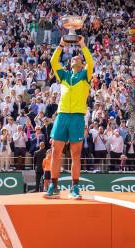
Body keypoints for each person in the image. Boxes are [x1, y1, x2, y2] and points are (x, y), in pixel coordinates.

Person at [44, 36, 93, 200]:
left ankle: (75, 187)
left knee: (75, 155)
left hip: (78, 117)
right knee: (56, 152)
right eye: (73, 58)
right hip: (62, 115)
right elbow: (53, 61)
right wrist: (61, 45)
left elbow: (91, 62)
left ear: (82, 63)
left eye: (78, 58)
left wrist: (83, 45)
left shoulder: (86, 75)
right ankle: (54, 185)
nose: (75, 59)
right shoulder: (64, 75)